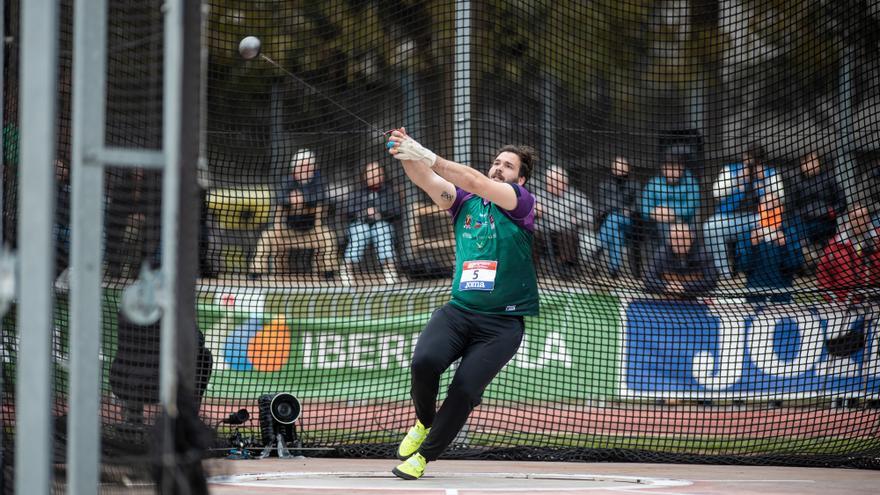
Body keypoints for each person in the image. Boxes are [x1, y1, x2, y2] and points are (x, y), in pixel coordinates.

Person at [385, 128, 538, 480]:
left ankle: (423, 457)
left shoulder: (519, 203)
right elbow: (426, 179)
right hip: (459, 312)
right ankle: (423, 422)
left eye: (508, 166)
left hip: (501, 326)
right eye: (496, 163)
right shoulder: (465, 203)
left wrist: (424, 152)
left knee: (465, 389)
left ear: (521, 179)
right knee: (424, 362)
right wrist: (405, 153)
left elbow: (471, 177)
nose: (498, 169)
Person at [249, 149, 339, 280]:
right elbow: (279, 199)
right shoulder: (287, 181)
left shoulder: (318, 181)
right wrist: (290, 201)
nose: (303, 169)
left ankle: (328, 273)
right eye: (300, 166)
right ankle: (256, 273)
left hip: (312, 231)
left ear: (313, 167)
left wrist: (303, 199)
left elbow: (321, 199)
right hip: (288, 231)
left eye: (307, 166)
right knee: (266, 237)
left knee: (329, 237)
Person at [734, 191, 803, 305]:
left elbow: (796, 265)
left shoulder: (790, 233)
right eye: (766, 204)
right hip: (755, 297)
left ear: (781, 208)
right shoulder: (747, 233)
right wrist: (752, 246)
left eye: (774, 204)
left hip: (781, 297)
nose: (770, 208)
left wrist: (784, 247)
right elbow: (742, 266)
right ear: (759, 207)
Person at [340, 161, 403, 285]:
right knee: (360, 232)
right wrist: (364, 213)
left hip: (382, 224)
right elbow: (347, 211)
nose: (373, 175)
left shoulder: (390, 191)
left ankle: (390, 271)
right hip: (360, 225)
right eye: (370, 172)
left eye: (376, 172)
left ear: (382, 174)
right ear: (365, 175)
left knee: (381, 230)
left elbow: (396, 211)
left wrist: (380, 213)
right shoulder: (357, 191)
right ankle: (346, 270)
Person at [638, 152, 701, 273]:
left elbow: (691, 206)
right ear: (663, 168)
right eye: (668, 168)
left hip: (685, 222)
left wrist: (672, 212)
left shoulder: (691, 182)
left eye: (676, 168)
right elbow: (644, 208)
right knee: (661, 226)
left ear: (682, 168)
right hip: (658, 223)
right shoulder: (653, 183)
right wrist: (656, 213)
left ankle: (684, 266)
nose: (672, 172)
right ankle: (664, 267)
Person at [534, 164, 596, 279]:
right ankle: (534, 269)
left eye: (557, 181)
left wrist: (577, 219)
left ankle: (566, 268)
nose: (553, 184)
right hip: (544, 231)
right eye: (550, 182)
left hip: (567, 232)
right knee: (532, 234)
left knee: (567, 234)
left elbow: (590, 215)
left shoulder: (576, 196)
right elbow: (526, 213)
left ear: (565, 182)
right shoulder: (539, 195)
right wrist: (535, 211)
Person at [788, 150, 845, 270]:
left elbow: (842, 201)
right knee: (794, 226)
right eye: (808, 162)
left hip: (826, 222)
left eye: (814, 161)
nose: (811, 164)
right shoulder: (797, 181)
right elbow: (792, 206)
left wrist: (831, 211)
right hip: (805, 223)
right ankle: (807, 254)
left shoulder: (829, 177)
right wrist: (805, 213)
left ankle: (822, 260)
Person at [817, 204, 880, 306]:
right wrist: (832, 299)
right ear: (849, 220)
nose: (858, 222)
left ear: (868, 219)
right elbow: (823, 272)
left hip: (873, 304)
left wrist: (873, 253)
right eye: (854, 218)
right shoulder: (836, 244)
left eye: (862, 217)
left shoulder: (877, 241)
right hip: (842, 306)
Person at [643, 222, 718, 298]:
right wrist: (667, 286)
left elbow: (711, 281)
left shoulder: (704, 255)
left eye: (684, 238)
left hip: (696, 299)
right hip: (667, 301)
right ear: (669, 240)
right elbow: (648, 280)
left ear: (692, 238)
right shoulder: (660, 254)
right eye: (675, 239)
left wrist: (684, 287)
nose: (680, 243)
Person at [596, 156, 641, 278]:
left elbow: (638, 205)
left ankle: (598, 245)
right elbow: (601, 206)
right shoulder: (604, 185)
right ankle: (614, 270)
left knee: (613, 219)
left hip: (629, 223)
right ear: (612, 168)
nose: (620, 169)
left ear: (628, 168)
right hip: (611, 222)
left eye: (623, 166)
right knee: (616, 233)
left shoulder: (634, 184)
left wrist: (627, 210)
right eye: (617, 166)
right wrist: (619, 209)